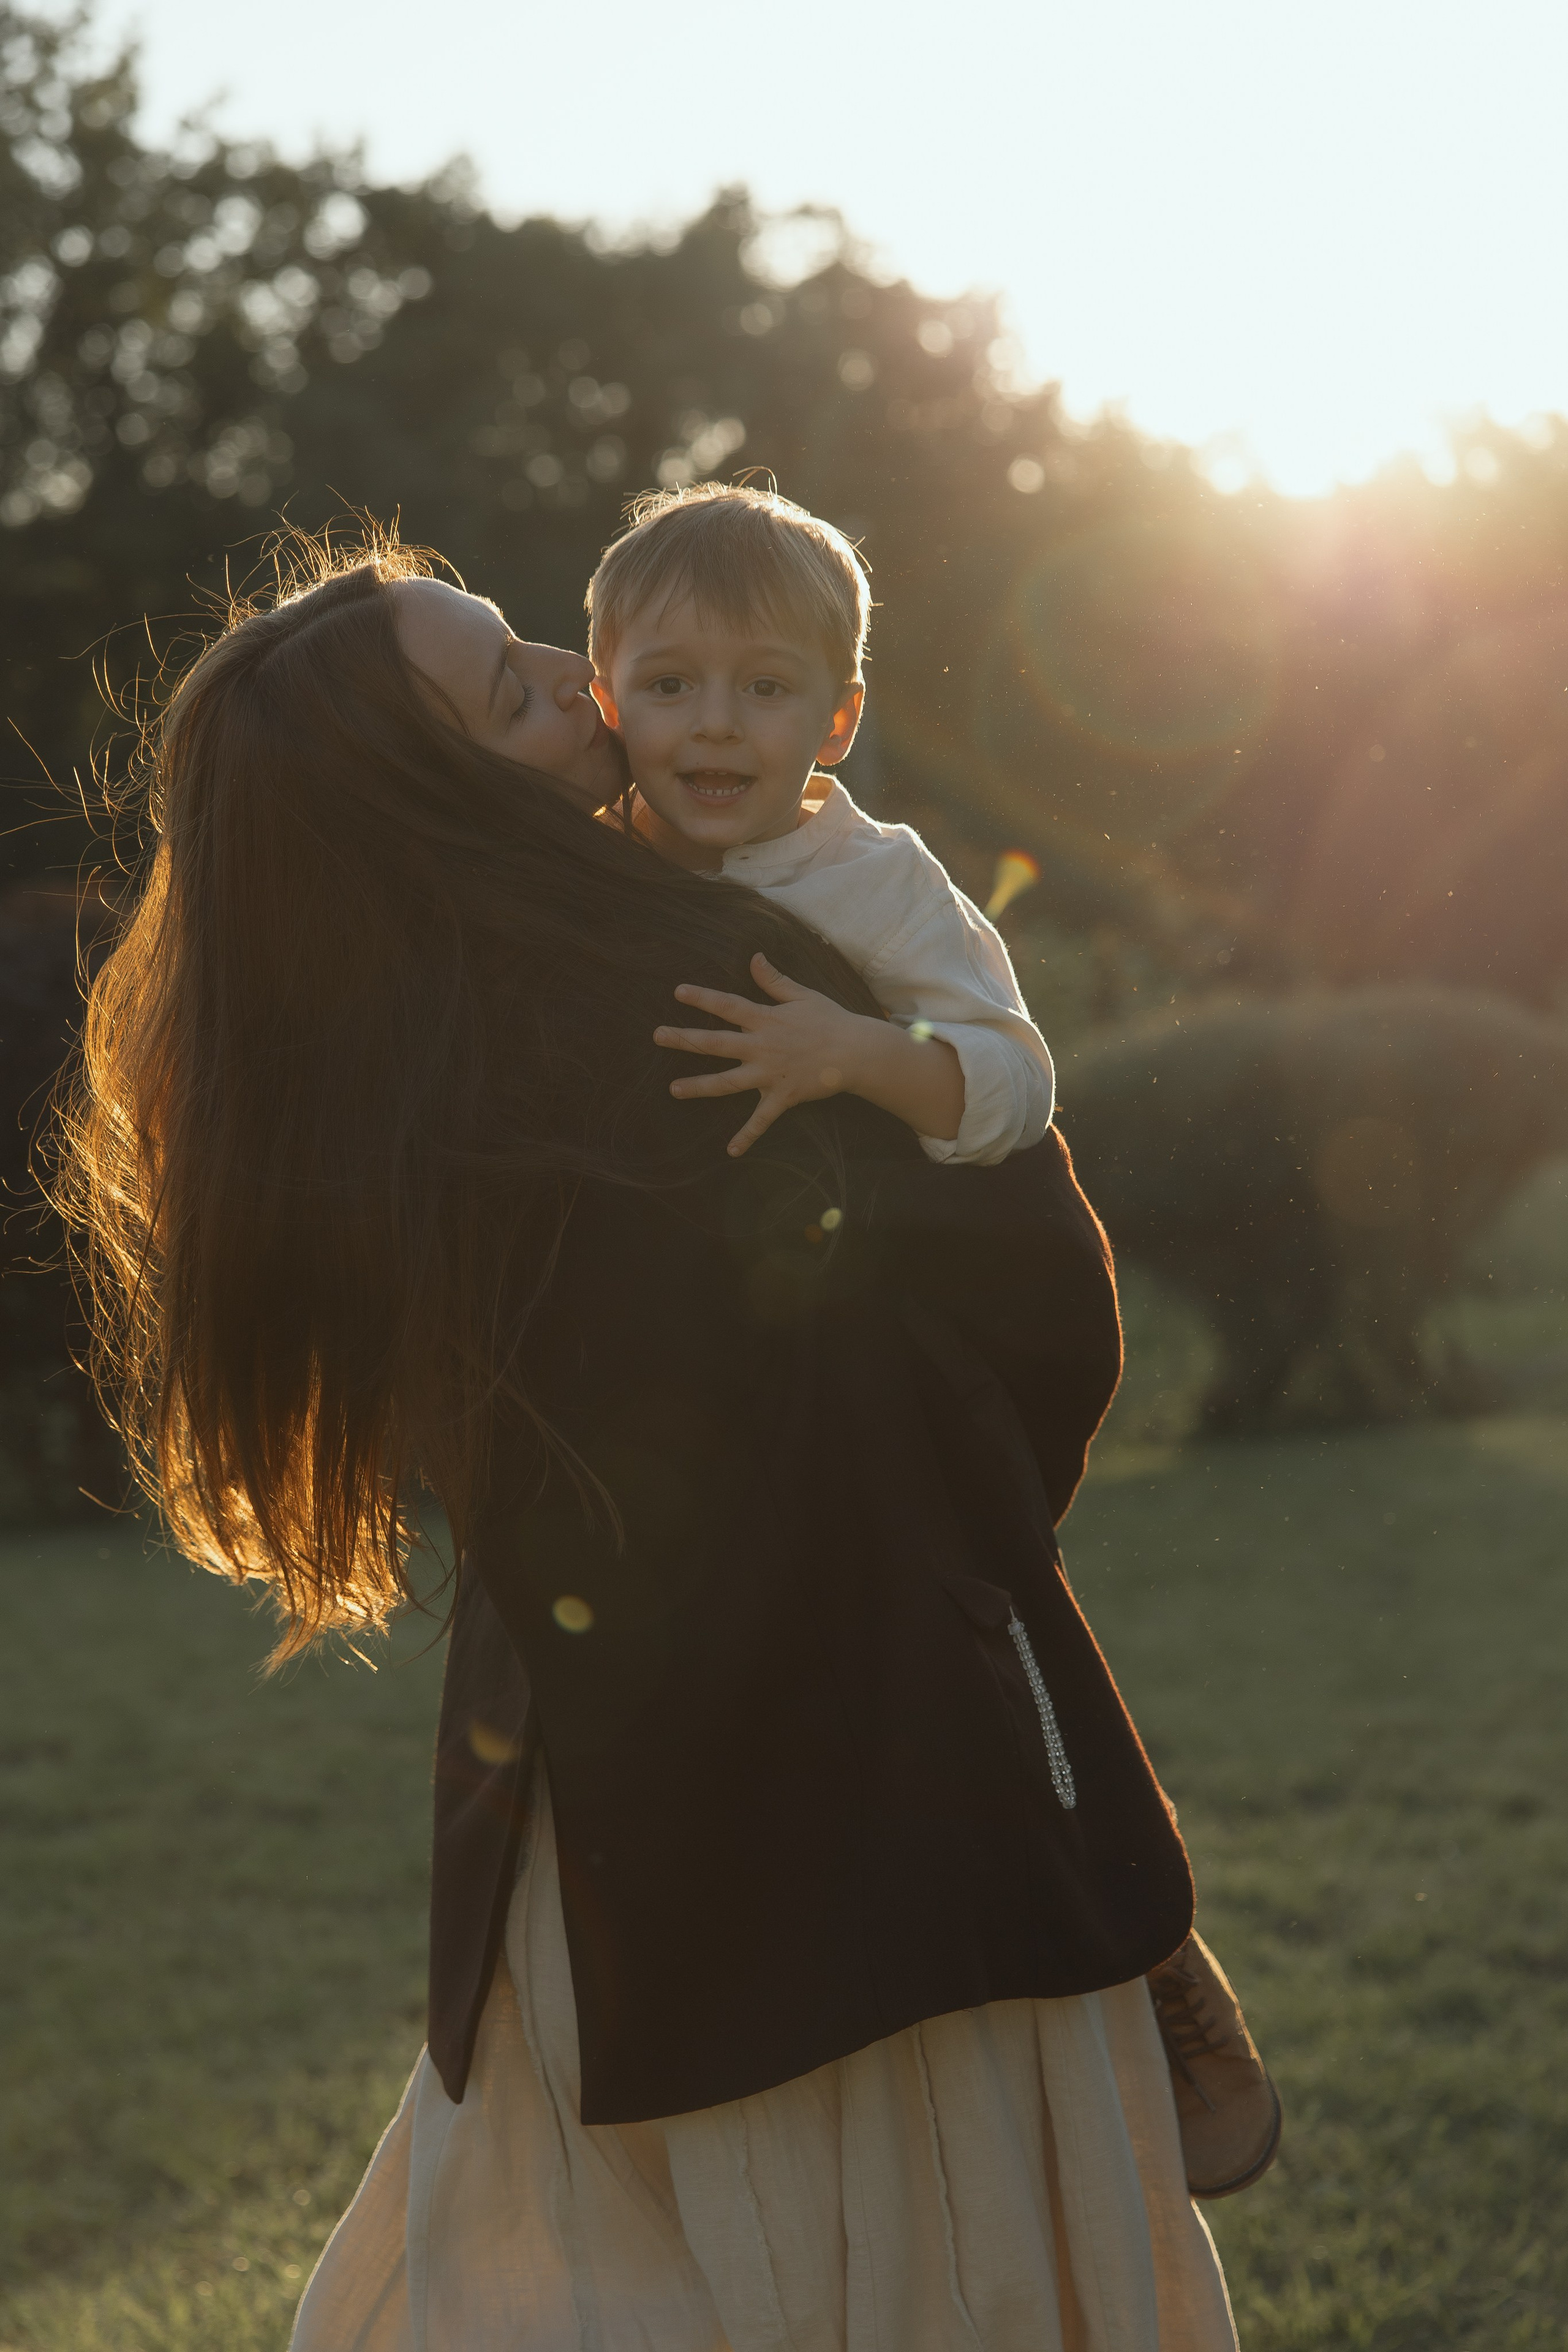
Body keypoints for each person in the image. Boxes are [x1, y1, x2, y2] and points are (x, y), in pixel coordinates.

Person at [57, 529, 1240, 2351]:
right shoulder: (703, 981)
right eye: (520, 687)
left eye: (536, 640)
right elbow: (1035, 1311)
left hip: (602, 1792)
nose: (579, 683)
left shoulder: (383, 1072)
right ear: (434, 790)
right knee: (904, 2260)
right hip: (862, 1764)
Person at [586, 481, 1055, 1168]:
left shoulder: (881, 883)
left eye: (765, 687)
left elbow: (1018, 1088)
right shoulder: (583, 853)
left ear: (837, 724)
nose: (716, 724)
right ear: (610, 705)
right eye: (669, 685)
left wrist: (853, 1052)